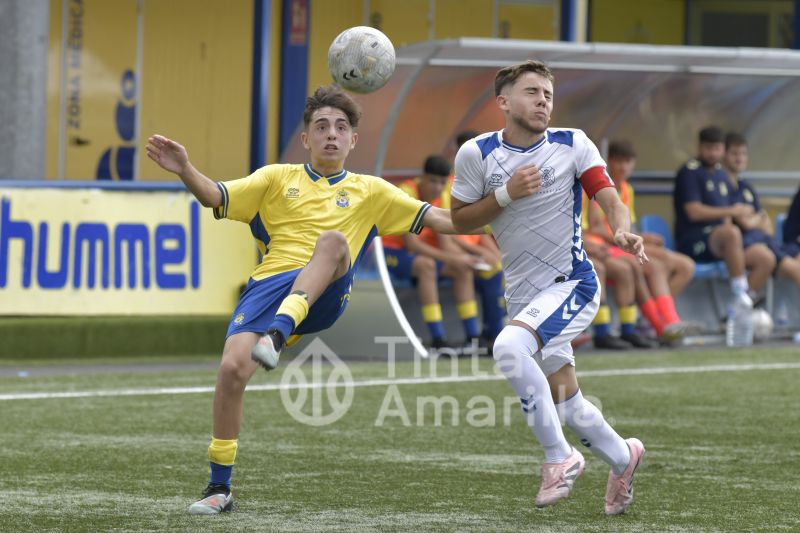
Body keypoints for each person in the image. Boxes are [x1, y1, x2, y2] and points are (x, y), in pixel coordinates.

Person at [146, 85, 465, 515]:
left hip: (327, 289)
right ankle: (219, 488)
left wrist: (503, 205)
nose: (331, 134)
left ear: (353, 140)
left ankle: (278, 334)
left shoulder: (372, 190)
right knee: (231, 371)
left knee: (332, 242)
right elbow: (215, 197)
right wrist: (185, 168)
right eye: (322, 126)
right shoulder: (275, 178)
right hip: (269, 285)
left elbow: (444, 219)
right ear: (305, 138)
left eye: (341, 127)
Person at [450, 60, 646, 515]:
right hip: (522, 294)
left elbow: (610, 197)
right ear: (503, 102)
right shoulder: (475, 153)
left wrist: (620, 229)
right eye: (532, 92)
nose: (543, 101)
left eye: (548, 94)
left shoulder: (572, 143)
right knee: (568, 400)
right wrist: (505, 194)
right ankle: (624, 457)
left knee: (507, 348)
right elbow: (460, 220)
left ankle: (560, 457)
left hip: (572, 284)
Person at [586, 140, 693, 343]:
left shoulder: (627, 189)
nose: (624, 167)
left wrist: (643, 236)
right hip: (605, 245)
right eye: (619, 161)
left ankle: (658, 319)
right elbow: (596, 228)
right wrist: (623, 237)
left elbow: (627, 226)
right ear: (608, 161)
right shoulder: (597, 188)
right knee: (654, 266)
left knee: (683, 265)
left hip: (617, 243)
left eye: (628, 162)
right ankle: (661, 321)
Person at [383, 155, 483, 349]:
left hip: (415, 254)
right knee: (426, 265)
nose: (437, 187)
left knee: (462, 269)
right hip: (389, 251)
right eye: (433, 181)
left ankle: (473, 339)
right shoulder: (408, 193)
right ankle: (438, 339)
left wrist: (464, 259)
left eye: (442, 183)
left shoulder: (443, 196)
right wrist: (453, 258)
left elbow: (445, 242)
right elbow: (412, 245)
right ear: (423, 177)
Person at [673, 126, 766, 313]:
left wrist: (745, 216)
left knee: (764, 258)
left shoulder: (721, 174)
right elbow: (694, 212)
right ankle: (741, 292)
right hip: (694, 240)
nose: (713, 153)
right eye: (709, 148)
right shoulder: (689, 172)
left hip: (721, 242)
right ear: (699, 147)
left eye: (717, 148)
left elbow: (732, 215)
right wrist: (732, 211)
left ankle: (736, 313)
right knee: (731, 233)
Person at [723, 133, 800, 289]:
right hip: (747, 245)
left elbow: (767, 226)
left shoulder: (746, 187)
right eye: (734, 154)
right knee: (791, 267)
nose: (739, 158)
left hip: (766, 241)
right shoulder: (721, 186)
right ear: (723, 155)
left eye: (743, 154)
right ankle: (742, 302)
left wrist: (752, 218)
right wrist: (754, 219)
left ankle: (749, 300)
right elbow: (745, 223)